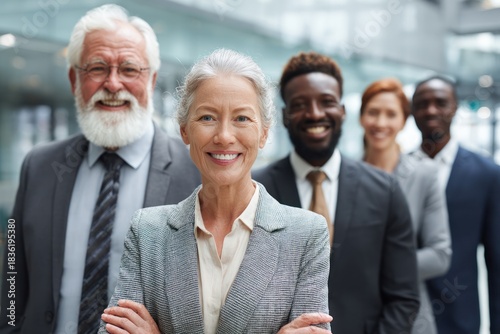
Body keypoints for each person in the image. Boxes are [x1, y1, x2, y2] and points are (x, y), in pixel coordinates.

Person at [98, 49, 332, 334]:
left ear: (264, 133)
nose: (223, 136)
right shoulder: (146, 232)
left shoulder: (306, 235)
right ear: (184, 130)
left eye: (242, 119)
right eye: (207, 118)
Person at [0, 4, 201, 334]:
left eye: (129, 69)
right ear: (73, 80)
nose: (112, 83)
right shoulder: (38, 166)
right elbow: (12, 274)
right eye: (97, 68)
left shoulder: (195, 173)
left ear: (151, 80)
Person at [253, 51, 420, 334]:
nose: (316, 113)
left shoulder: (385, 191)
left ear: (342, 110)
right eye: (300, 104)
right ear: (284, 116)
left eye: (327, 102)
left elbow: (403, 297)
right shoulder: (255, 190)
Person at [359, 77, 451, 334]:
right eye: (373, 113)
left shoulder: (424, 174)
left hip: (411, 317)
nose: (381, 123)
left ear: (403, 120)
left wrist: (379, 264)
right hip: (354, 313)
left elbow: (440, 255)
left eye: (391, 114)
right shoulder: (343, 176)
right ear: (361, 117)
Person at [411, 75, 500, 334]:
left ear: (455, 107)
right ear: (412, 110)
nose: (431, 110)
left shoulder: (487, 174)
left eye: (440, 102)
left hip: (460, 316)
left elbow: (496, 262)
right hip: (402, 314)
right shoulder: (397, 171)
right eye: (422, 103)